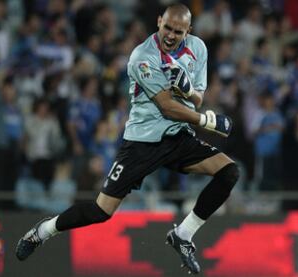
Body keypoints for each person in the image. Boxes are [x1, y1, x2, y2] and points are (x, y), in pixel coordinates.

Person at [15, 4, 239, 274]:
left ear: (187, 32)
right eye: (166, 27)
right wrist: (207, 121)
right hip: (142, 143)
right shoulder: (142, 57)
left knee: (229, 172)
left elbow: (198, 97)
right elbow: (166, 106)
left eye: (177, 31)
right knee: (102, 211)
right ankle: (43, 230)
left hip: (177, 136)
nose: (170, 35)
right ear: (158, 21)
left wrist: (189, 90)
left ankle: (183, 234)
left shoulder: (199, 48)